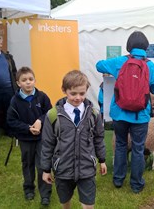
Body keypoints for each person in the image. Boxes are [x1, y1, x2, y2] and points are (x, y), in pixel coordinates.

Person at [96, 31, 154, 193]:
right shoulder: (150, 65)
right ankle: (136, 184)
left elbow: (99, 65)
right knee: (138, 149)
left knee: (120, 145)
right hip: (140, 115)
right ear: (146, 48)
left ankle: (118, 179)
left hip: (119, 113)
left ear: (129, 47)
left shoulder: (120, 61)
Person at [41, 70, 107, 209]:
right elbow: (47, 144)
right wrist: (46, 169)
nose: (78, 97)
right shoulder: (53, 116)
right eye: (73, 94)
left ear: (87, 91)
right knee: (65, 201)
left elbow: (99, 138)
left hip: (86, 168)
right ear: (64, 90)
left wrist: (102, 160)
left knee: (89, 205)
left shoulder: (93, 114)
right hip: (63, 169)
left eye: (82, 94)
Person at [6, 67, 52, 205]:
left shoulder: (42, 96)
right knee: (27, 164)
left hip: (41, 138)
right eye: (24, 80)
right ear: (18, 83)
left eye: (30, 79)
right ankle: (28, 189)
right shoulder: (15, 101)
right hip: (25, 139)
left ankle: (45, 193)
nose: (28, 83)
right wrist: (27, 128)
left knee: (43, 164)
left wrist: (40, 121)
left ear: (35, 81)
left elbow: (50, 113)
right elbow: (11, 121)